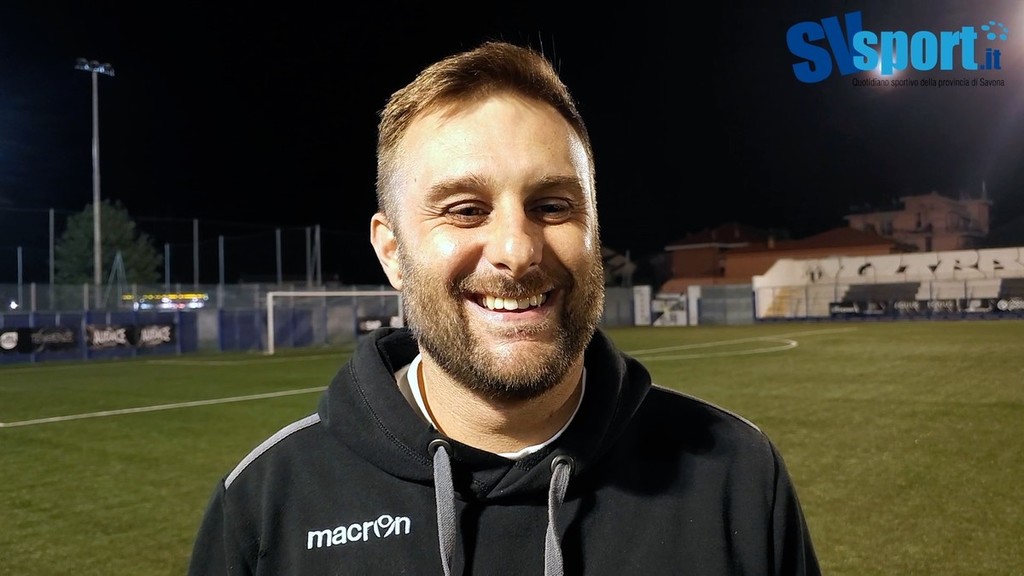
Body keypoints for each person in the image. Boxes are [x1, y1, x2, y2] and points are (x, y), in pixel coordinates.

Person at [187, 40, 821, 575]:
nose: (517, 251)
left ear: (594, 231)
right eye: (466, 210)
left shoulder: (737, 476)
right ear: (392, 252)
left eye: (552, 206)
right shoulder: (267, 505)